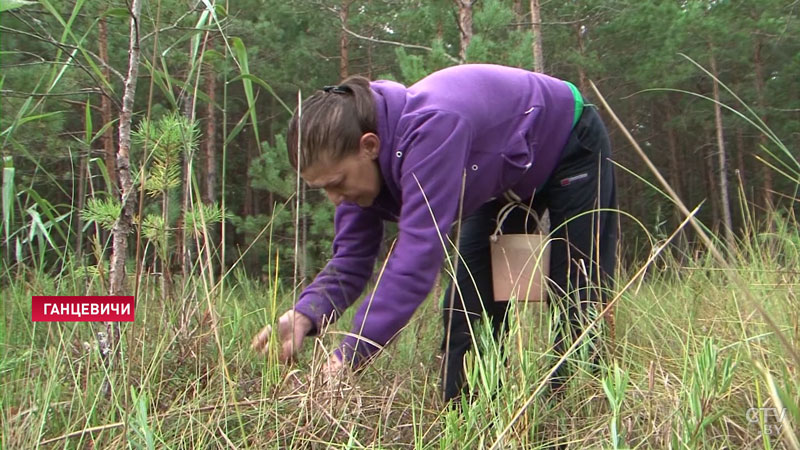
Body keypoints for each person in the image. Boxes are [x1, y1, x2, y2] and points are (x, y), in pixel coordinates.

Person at [251, 63, 618, 402]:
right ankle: (471, 421)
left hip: (568, 140)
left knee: (575, 291)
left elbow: (415, 261)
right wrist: (304, 314)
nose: (334, 199)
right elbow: (350, 261)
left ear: (369, 146)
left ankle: (571, 414)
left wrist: (350, 355)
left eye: (336, 183)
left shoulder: (432, 131)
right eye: (322, 189)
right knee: (470, 306)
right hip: (499, 175)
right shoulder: (356, 171)